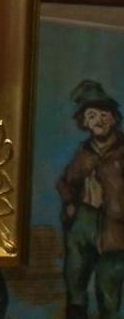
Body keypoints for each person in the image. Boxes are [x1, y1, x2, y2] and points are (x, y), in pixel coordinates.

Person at [56, 79, 124, 319]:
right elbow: (65, 182)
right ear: (84, 122)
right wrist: (71, 204)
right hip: (82, 224)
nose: (99, 120)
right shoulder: (83, 152)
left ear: (114, 119)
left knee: (109, 292)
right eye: (92, 116)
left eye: (104, 115)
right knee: (75, 287)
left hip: (115, 229)